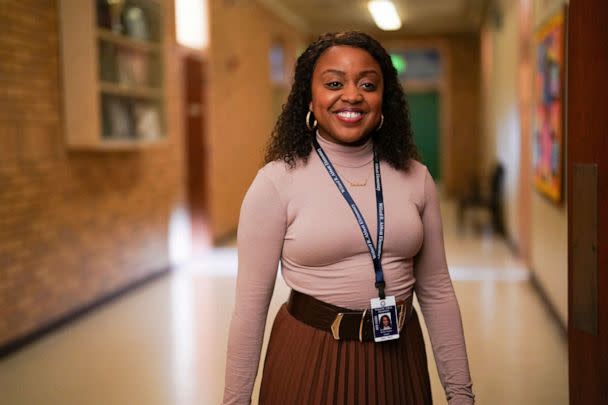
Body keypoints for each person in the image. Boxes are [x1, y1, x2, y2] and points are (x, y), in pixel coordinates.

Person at [222, 31, 474, 405]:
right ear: (310, 98)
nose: (352, 95)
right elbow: (250, 306)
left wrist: (461, 395)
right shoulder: (276, 182)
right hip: (309, 357)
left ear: (382, 98)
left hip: (398, 358)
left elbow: (436, 290)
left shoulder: (416, 177)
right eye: (334, 83)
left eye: (367, 83)